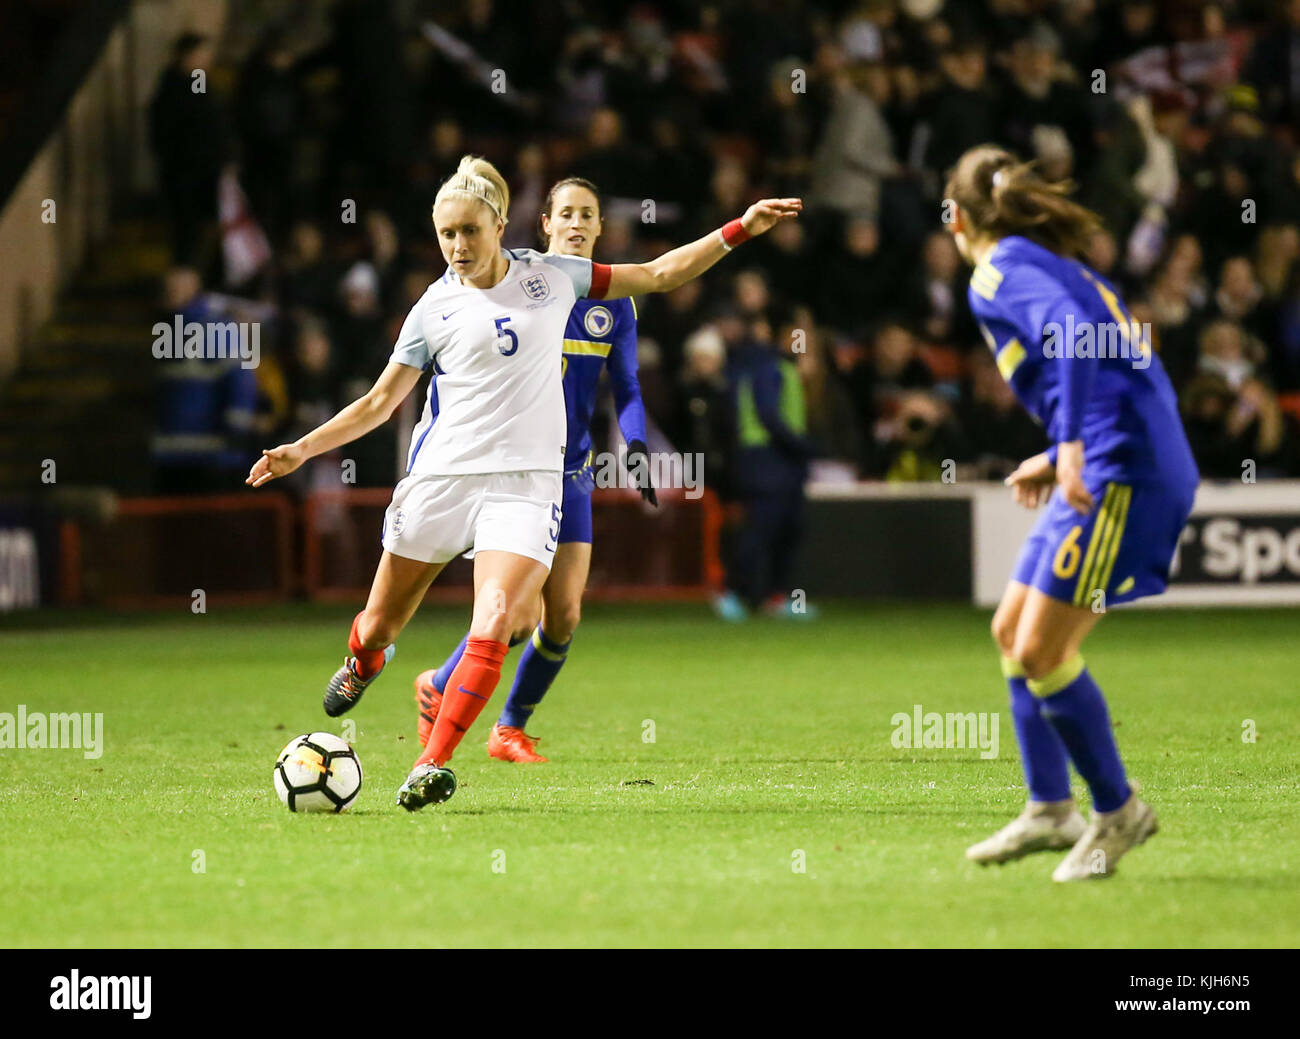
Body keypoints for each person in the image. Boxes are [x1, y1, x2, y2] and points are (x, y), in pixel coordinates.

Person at [247, 155, 800, 810]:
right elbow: (377, 403)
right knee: (375, 625)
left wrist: (739, 227)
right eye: (446, 234)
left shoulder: (552, 276)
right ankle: (367, 662)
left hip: (526, 485)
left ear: (501, 226)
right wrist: (301, 450)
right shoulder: (433, 307)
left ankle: (432, 761)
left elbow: (657, 274)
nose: (458, 247)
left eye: (470, 232)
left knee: (503, 617)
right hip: (441, 481)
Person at [945, 145, 1198, 882]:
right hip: (1112, 454)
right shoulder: (1042, 261)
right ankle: (1051, 808)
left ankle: (1119, 811)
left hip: (1126, 470)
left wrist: (1071, 446)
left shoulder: (999, 272)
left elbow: (1072, 338)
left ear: (955, 218)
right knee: (1011, 633)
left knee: (1042, 650)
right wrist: (1061, 454)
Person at [414, 176, 654, 764]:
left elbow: (626, 386)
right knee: (517, 617)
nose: (576, 224)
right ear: (544, 224)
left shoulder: (613, 304)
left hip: (570, 473)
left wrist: (639, 446)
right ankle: (440, 686)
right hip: (508, 471)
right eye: (565, 213)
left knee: (564, 614)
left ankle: (508, 728)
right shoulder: (523, 285)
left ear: (600, 228)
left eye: (587, 215)